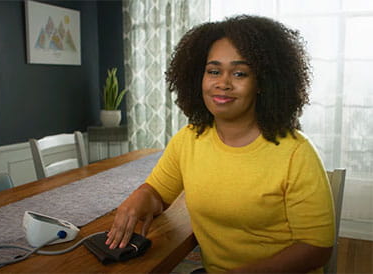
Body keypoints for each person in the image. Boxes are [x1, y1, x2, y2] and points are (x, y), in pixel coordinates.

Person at [106, 15, 335, 273]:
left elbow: (317, 248)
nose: (222, 83)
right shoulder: (188, 139)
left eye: (239, 73)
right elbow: (158, 193)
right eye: (213, 71)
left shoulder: (296, 152)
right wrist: (140, 197)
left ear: (262, 82)